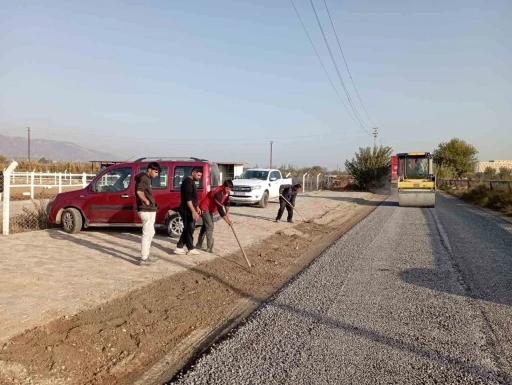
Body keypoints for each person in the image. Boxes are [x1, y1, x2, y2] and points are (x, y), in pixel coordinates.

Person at [134, 161, 161, 266]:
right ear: (149, 169)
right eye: (155, 172)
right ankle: (144, 258)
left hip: (149, 209)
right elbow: (139, 191)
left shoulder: (146, 179)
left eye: (157, 173)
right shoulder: (145, 179)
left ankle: (146, 255)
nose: (156, 174)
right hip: (146, 210)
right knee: (147, 234)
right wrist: (146, 201)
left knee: (150, 233)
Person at [196, 180, 233, 253]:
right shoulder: (217, 193)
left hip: (211, 209)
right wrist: (227, 221)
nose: (229, 191)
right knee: (210, 226)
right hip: (205, 207)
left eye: (230, 189)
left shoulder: (226, 193)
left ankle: (199, 244)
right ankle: (209, 248)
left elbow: (227, 202)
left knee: (205, 226)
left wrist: (227, 212)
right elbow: (220, 209)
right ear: (223, 186)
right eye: (227, 189)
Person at [174, 167, 203, 255]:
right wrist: (193, 211)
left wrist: (197, 207)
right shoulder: (187, 182)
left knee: (189, 228)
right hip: (186, 208)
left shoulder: (192, 182)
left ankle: (180, 246)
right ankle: (190, 248)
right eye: (198, 175)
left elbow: (193, 197)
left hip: (191, 208)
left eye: (200, 176)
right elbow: (188, 198)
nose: (199, 177)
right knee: (189, 228)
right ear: (193, 173)